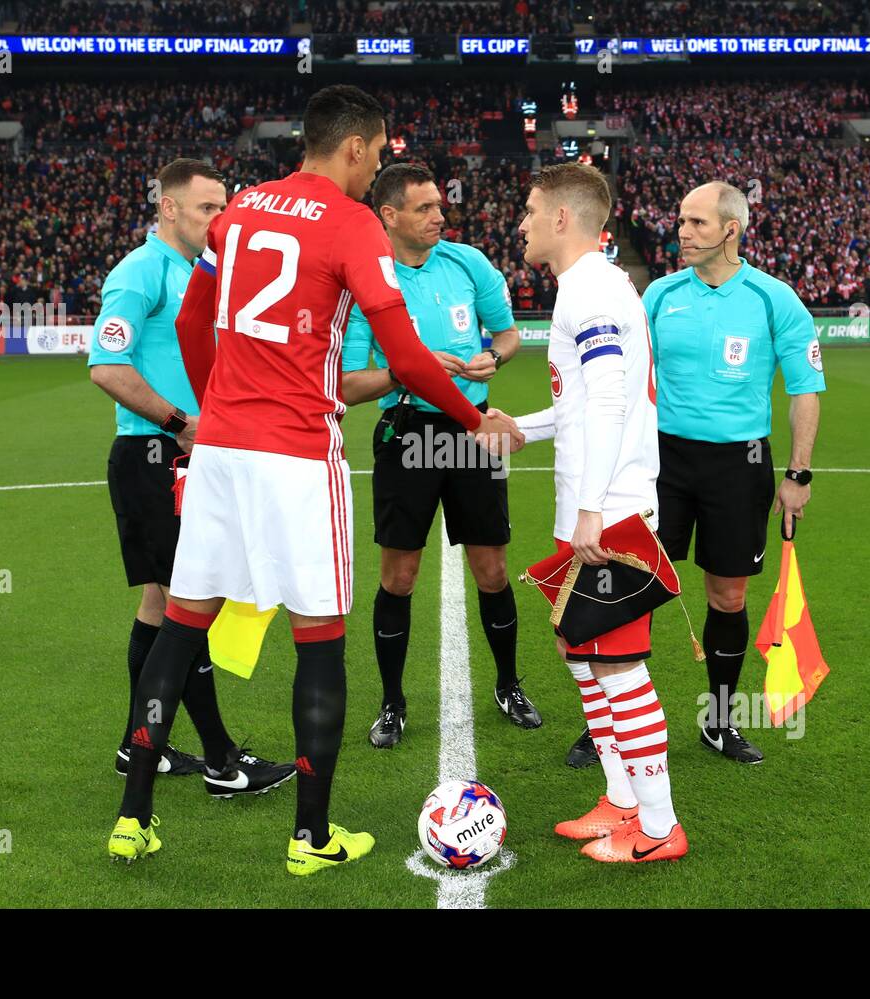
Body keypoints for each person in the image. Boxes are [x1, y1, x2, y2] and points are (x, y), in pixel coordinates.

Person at [107, 86, 522, 873]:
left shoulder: (240, 211)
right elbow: (402, 359)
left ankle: (133, 817)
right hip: (299, 452)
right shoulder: (352, 223)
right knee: (319, 640)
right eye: (378, 152)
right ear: (358, 147)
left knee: (181, 623)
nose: (375, 172)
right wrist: (476, 422)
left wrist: (217, 407)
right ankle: (312, 836)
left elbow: (197, 326)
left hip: (222, 450)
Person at [89, 158, 295, 796]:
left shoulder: (208, 270)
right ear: (169, 208)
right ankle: (221, 760)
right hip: (153, 457)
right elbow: (107, 367)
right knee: (189, 605)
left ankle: (135, 743)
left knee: (162, 603)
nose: (221, 218)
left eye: (225, 206)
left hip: (188, 457)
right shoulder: (140, 271)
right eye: (208, 207)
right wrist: (182, 421)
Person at [511, 163, 687, 864]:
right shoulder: (591, 287)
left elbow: (614, 399)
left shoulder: (591, 289)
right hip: (588, 506)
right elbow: (584, 403)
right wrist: (520, 425)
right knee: (578, 649)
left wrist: (591, 511)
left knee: (619, 666)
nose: (521, 223)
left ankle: (658, 824)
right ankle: (619, 797)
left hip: (607, 512)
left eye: (529, 211)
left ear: (561, 217)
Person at [341, 162, 540, 748]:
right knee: (399, 576)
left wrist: (494, 359)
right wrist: (413, 371)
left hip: (473, 432)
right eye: (425, 208)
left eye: (438, 206)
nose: (439, 215)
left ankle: (508, 683)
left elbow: (507, 335)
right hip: (407, 433)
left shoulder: (468, 263)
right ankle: (393, 703)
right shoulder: (367, 279)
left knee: (493, 569)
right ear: (390, 215)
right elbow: (351, 385)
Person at [644, 180, 825, 764]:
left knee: (727, 595)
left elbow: (805, 390)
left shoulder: (774, 299)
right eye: (680, 221)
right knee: (636, 587)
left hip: (740, 464)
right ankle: (609, 725)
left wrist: (799, 475)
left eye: (696, 222)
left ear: (731, 230)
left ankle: (718, 723)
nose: (682, 232)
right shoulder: (658, 295)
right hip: (662, 460)